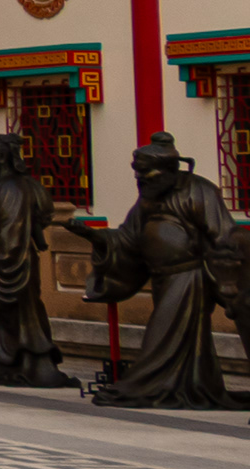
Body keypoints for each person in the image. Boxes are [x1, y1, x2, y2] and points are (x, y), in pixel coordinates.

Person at [79, 134, 237, 410]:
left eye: (146, 172)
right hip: (162, 278)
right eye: (137, 173)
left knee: (163, 335)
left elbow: (223, 236)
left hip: (190, 277)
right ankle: (191, 385)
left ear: (170, 170)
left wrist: (228, 279)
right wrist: (99, 239)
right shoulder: (148, 199)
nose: (141, 179)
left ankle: (151, 385)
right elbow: (127, 238)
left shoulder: (199, 191)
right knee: (186, 339)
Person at [0, 131, 72, 389]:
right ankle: (6, 359)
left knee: (12, 314)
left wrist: (3, 259)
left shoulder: (3, 189)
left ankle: (11, 362)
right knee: (14, 315)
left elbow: (2, 231)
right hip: (14, 258)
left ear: (5, 157)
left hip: (3, 259)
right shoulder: (25, 186)